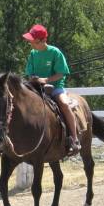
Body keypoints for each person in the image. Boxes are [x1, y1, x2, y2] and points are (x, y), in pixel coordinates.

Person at [23, 24, 81, 155]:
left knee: (65, 104)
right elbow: (29, 72)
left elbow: (61, 73)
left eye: (32, 40)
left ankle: (74, 139)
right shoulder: (33, 53)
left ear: (42, 40)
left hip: (55, 87)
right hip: (36, 88)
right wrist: (34, 79)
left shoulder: (55, 52)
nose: (30, 43)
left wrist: (46, 80)